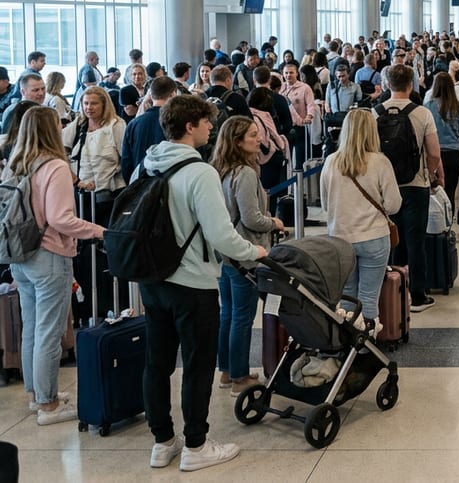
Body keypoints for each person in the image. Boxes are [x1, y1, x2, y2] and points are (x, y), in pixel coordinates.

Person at [137, 94, 266, 471]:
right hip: (192, 282)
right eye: (206, 121)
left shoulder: (146, 165)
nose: (212, 126)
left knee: (157, 363)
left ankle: (162, 441)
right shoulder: (199, 172)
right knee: (197, 364)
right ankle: (196, 444)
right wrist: (255, 251)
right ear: (189, 126)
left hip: (152, 279)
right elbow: (221, 235)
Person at [5, 107, 106, 426]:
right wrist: (98, 231)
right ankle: (48, 405)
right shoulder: (55, 166)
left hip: (19, 255)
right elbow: (61, 218)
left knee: (32, 327)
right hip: (49, 254)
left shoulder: (16, 164)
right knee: (49, 330)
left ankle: (36, 394)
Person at [211, 116, 282, 396]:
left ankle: (227, 370)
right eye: (252, 135)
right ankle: (240, 377)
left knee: (228, 313)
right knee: (242, 316)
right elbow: (252, 218)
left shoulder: (219, 171)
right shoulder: (246, 173)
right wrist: (273, 222)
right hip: (246, 253)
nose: (259, 139)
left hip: (225, 253)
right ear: (237, 142)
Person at [320, 109, 402, 333]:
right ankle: (366, 344)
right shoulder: (380, 162)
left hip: (340, 240)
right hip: (373, 237)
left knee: (347, 297)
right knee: (369, 297)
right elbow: (394, 204)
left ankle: (347, 343)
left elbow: (326, 205)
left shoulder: (331, 162)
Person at [378, 64, 443, 312]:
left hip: (386, 186)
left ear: (387, 84)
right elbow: (434, 153)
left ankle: (394, 289)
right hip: (416, 185)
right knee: (416, 239)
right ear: (411, 85)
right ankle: (417, 294)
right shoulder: (422, 113)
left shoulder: (375, 113)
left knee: (392, 238)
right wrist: (430, 173)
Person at [63, 86, 127, 222]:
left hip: (110, 193)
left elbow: (125, 157)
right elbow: (60, 148)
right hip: (82, 192)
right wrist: (75, 179)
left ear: (104, 105)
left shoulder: (116, 125)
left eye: (94, 103)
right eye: (86, 103)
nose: (89, 107)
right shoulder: (79, 124)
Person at [424, 72, 459, 211]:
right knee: (450, 190)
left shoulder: (428, 106)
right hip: (454, 153)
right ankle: (450, 217)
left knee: (434, 191)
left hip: (433, 153)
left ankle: (436, 219)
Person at [121, 76, 174, 184]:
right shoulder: (177, 121)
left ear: (150, 95)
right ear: (173, 94)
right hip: (169, 183)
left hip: (139, 184)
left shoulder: (133, 124)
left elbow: (126, 162)